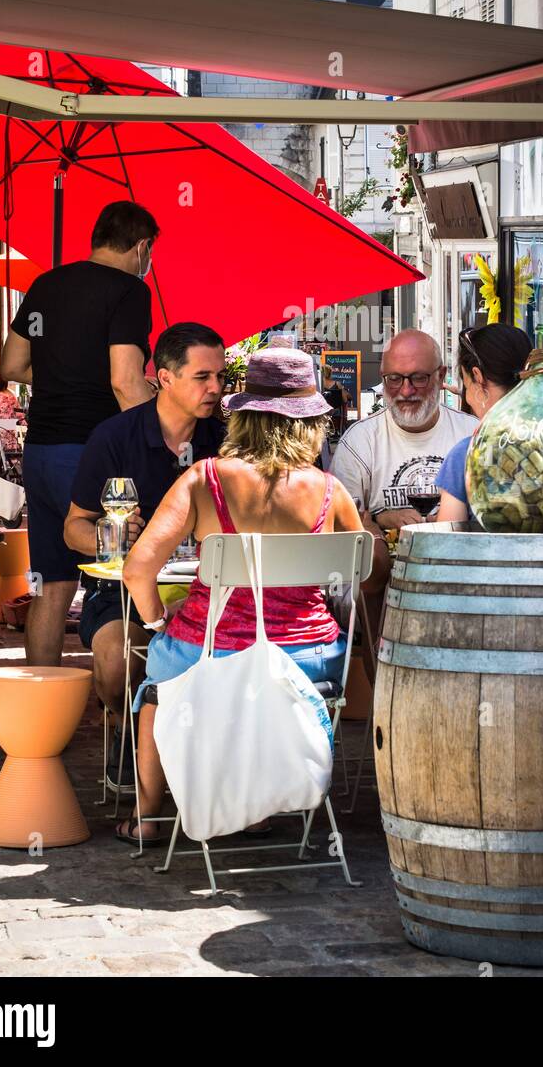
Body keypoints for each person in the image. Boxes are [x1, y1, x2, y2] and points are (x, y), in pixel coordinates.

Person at [118, 347, 365, 845]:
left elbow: (137, 569)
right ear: (309, 423)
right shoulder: (329, 490)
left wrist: (156, 620)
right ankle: (256, 810)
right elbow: (370, 569)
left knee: (155, 694)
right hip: (307, 658)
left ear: (244, 417)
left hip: (208, 652)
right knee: (259, 691)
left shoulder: (205, 478)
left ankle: (147, 815)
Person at [63, 323, 226, 782]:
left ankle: (205, 762)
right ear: (164, 377)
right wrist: (108, 533)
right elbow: (71, 528)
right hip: (121, 591)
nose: (215, 388)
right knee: (117, 663)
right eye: (202, 377)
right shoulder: (115, 437)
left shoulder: (225, 438)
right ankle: (124, 724)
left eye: (220, 377)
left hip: (206, 592)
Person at [0, 200, 160, 667]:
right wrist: (160, 432)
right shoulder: (129, 291)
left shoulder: (46, 284)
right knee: (116, 577)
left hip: (41, 451)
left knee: (53, 585)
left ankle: (40, 701)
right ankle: (118, 704)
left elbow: (11, 365)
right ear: (142, 246)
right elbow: (125, 383)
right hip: (93, 453)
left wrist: (62, 378)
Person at [330, 328, 477, 680]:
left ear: (442, 377)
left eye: (418, 378)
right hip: (378, 581)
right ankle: (387, 690)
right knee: (372, 567)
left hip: (457, 571)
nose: (405, 391)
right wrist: (379, 520)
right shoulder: (361, 441)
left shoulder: (471, 433)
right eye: (394, 379)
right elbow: (344, 532)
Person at [436, 324, 532, 523]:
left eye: (465, 383)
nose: (468, 397)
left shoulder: (468, 454)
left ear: (477, 377)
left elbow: (446, 544)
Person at [322, 365, 350, 438]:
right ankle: (339, 432)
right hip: (335, 411)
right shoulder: (337, 384)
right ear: (330, 373)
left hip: (322, 411)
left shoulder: (318, 384)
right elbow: (345, 400)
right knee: (338, 411)